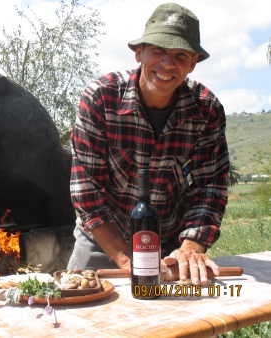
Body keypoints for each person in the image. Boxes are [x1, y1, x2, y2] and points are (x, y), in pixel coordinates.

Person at [67, 3, 229, 285]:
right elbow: (87, 194)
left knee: (179, 322)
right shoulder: (101, 99)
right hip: (102, 237)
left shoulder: (206, 110)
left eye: (180, 55)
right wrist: (130, 263)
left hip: (169, 243)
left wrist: (191, 246)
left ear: (193, 63)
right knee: (84, 315)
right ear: (139, 52)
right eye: (159, 51)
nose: (168, 64)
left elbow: (210, 185)